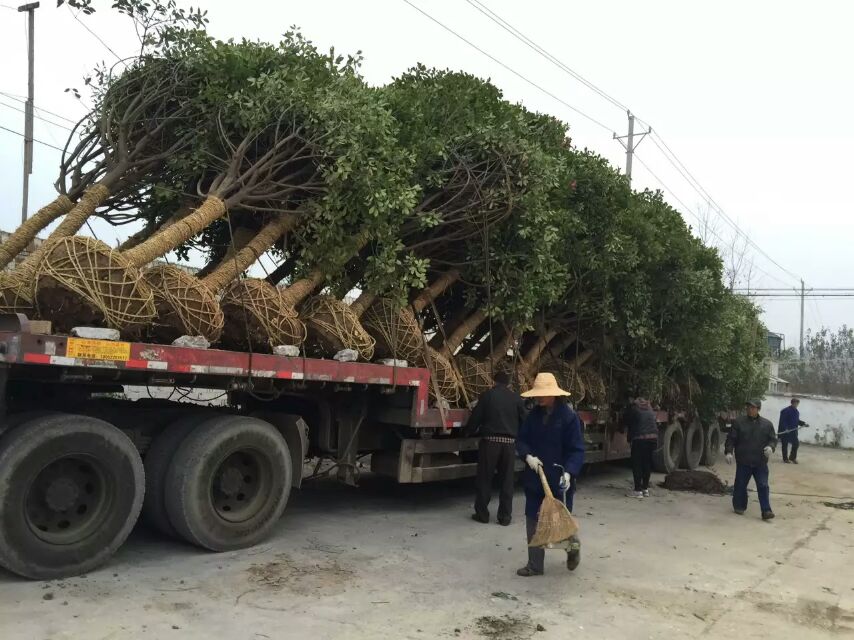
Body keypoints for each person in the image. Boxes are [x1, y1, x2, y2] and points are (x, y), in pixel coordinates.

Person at [515, 373, 585, 577]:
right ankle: (535, 565)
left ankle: (573, 548)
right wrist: (527, 455)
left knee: (561, 524)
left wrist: (570, 473)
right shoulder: (533, 416)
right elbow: (522, 440)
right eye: (538, 395)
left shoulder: (568, 418)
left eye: (543, 395)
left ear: (554, 395)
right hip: (535, 477)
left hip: (558, 479)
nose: (539, 398)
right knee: (532, 520)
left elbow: (576, 450)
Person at [464, 370, 527, 526]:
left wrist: (467, 432)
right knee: (507, 481)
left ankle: (482, 514)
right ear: (508, 384)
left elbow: (476, 417)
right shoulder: (516, 398)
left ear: (494, 382)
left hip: (490, 443)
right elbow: (525, 419)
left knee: (485, 478)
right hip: (509, 445)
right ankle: (505, 517)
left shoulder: (488, 396)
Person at [725, 399, 778, 521]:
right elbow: (731, 439)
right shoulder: (739, 423)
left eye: (753, 407)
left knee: (763, 485)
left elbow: (773, 439)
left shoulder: (767, 424)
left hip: (760, 461)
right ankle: (739, 506)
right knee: (740, 485)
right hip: (744, 460)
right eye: (748, 407)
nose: (750, 409)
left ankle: (766, 510)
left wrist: (771, 447)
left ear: (758, 409)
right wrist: (728, 451)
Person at [623, 397, 658, 498]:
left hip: (640, 439)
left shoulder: (634, 410)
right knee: (647, 463)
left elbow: (627, 421)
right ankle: (645, 489)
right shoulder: (650, 409)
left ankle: (637, 491)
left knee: (637, 464)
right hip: (653, 439)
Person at [778, 397, 807, 464]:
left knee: (796, 444)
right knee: (784, 445)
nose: (796, 405)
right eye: (795, 403)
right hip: (786, 431)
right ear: (792, 403)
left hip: (793, 431)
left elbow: (796, 421)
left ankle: (792, 457)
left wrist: (803, 423)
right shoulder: (785, 411)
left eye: (797, 403)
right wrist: (785, 428)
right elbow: (783, 421)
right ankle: (785, 459)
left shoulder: (796, 412)